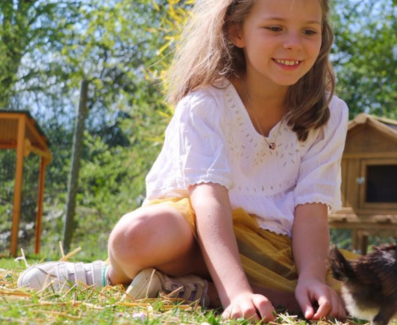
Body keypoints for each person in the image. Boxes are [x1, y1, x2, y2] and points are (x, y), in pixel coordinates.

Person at [18, 0, 350, 322]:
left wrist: (311, 278)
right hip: (193, 233)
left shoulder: (330, 114)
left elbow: (311, 211)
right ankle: (108, 274)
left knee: (352, 294)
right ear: (236, 31)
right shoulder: (206, 104)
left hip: (275, 250)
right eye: (275, 27)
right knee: (135, 235)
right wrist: (236, 293)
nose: (293, 44)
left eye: (309, 31)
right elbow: (209, 202)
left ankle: (185, 289)